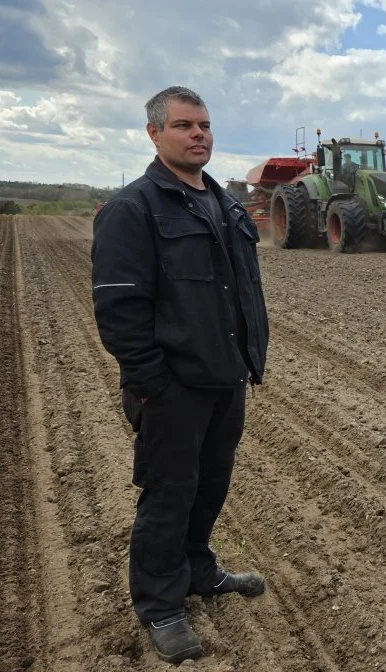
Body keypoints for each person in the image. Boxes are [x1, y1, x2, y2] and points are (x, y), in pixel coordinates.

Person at [91, 86, 270, 664]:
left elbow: (241, 294)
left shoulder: (227, 206)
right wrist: (152, 384)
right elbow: (119, 310)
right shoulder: (134, 209)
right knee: (168, 495)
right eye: (184, 125)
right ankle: (161, 605)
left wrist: (248, 361)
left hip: (226, 378)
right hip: (171, 387)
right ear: (154, 134)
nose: (199, 134)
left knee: (211, 484)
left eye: (206, 125)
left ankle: (199, 570)